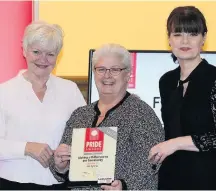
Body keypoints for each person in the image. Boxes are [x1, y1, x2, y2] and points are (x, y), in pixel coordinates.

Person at [50, 43, 164, 190]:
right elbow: (64, 170)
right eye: (101, 69)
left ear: (128, 74)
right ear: (94, 72)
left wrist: (124, 185)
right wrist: (60, 166)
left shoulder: (141, 113)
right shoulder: (80, 115)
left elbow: (153, 159)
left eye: (115, 69)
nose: (107, 75)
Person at [0, 21, 86, 190]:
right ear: (24, 51)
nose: (43, 59)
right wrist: (27, 147)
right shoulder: (4, 92)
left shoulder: (70, 90)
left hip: (59, 184)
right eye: (36, 52)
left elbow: (84, 136)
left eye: (50, 54)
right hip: (12, 184)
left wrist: (69, 153)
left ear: (58, 56)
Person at [148, 6, 216, 190]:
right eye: (178, 34)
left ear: (203, 38)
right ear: (169, 39)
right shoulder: (167, 81)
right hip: (171, 178)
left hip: (208, 179)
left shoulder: (214, 78)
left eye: (192, 34)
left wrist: (174, 144)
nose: (184, 40)